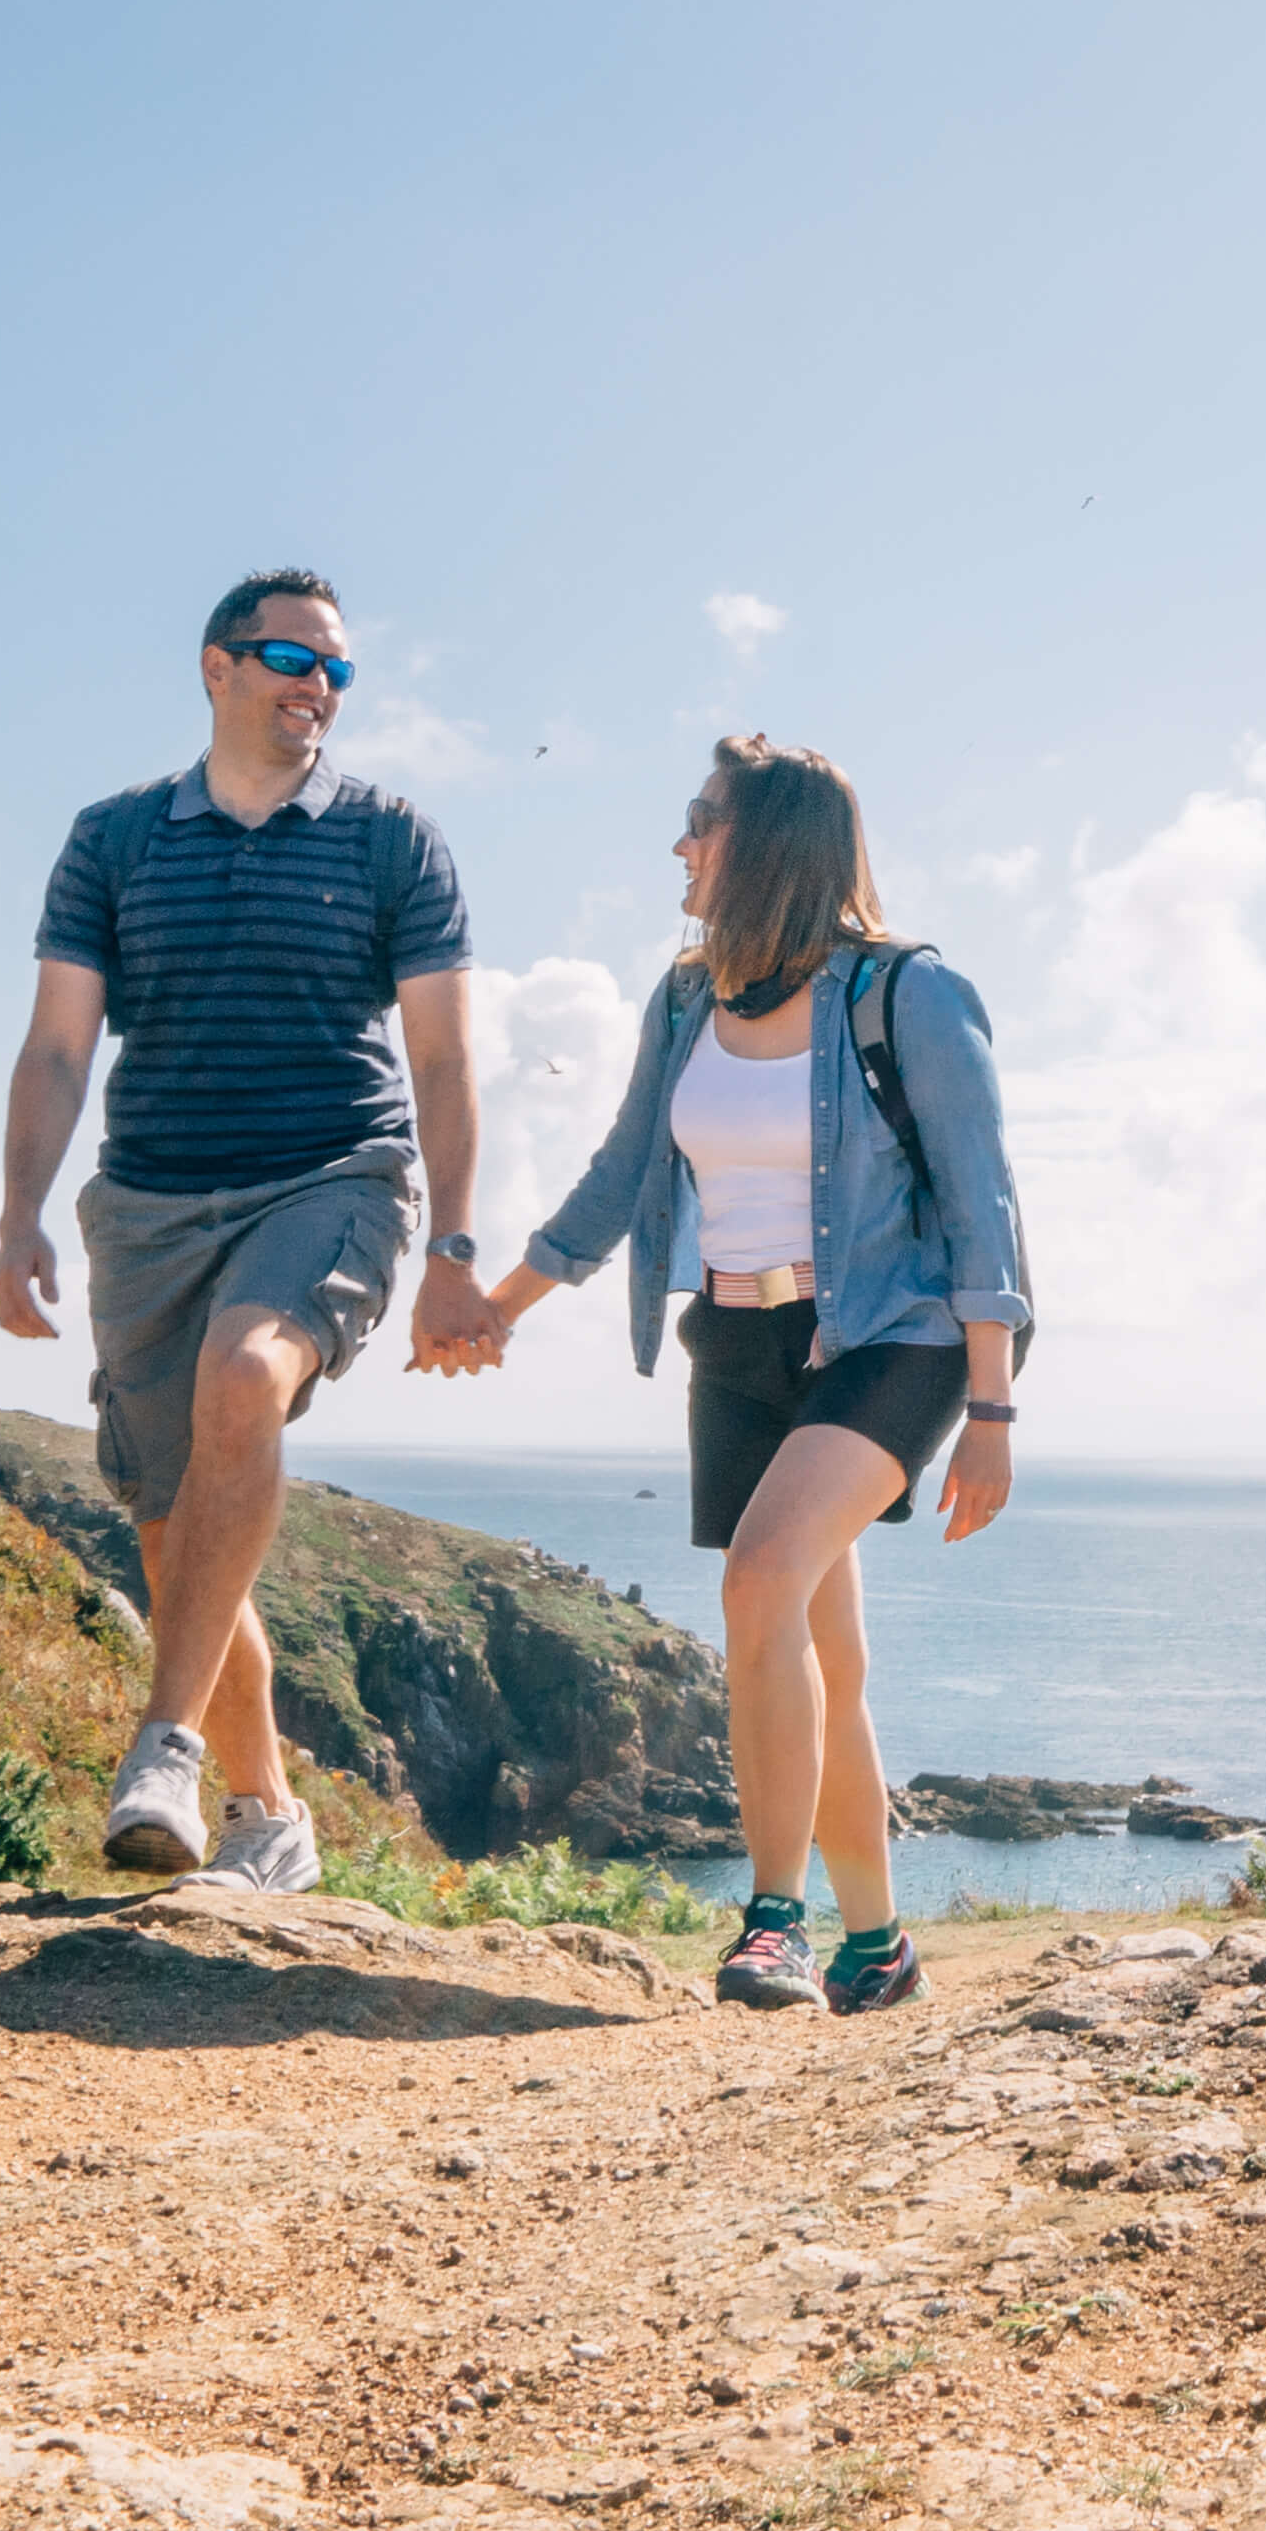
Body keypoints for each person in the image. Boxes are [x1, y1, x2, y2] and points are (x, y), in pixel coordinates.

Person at [467, 737, 1031, 2014]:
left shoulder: (910, 995)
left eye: (700, 820)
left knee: (760, 1578)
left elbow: (984, 1210)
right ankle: (879, 1948)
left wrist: (990, 1408)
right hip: (734, 1344)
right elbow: (620, 1178)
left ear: (769, 841)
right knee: (815, 1636)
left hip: (894, 1339)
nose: (680, 844)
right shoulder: (682, 1001)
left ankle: (772, 1919)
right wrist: (494, 1306)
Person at [0, 569, 492, 1893]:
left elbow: (440, 1060)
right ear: (216, 667)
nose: (317, 683)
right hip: (149, 1201)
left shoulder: (393, 840)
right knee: (173, 1528)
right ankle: (268, 1817)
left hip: (330, 1176)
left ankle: (160, 1746)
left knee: (245, 1378)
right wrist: (16, 1212)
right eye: (291, 655)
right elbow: (56, 1043)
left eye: (336, 667)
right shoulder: (111, 838)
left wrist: (450, 1246)